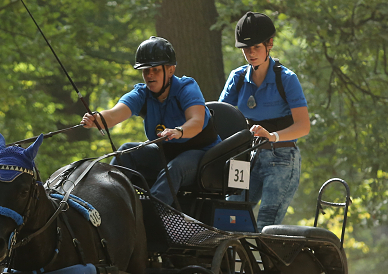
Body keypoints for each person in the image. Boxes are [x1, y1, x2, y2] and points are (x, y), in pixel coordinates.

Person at [81, 36, 220, 207]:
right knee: (126, 151)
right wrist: (98, 120)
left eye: (155, 70)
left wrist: (179, 131)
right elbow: (114, 114)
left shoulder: (187, 88)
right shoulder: (141, 94)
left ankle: (150, 214)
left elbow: (196, 121)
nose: (149, 75)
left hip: (202, 154)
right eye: (145, 70)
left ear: (170, 70)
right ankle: (105, 203)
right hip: (166, 153)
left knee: (173, 169)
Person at [219, 11, 310, 229]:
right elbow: (220, 119)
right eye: (245, 48)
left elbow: (303, 126)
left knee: (266, 225)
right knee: (230, 218)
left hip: (281, 158)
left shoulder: (287, 79)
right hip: (243, 158)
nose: (250, 53)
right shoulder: (237, 78)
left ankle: (266, 264)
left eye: (256, 47)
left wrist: (272, 136)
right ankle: (232, 263)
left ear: (269, 44)